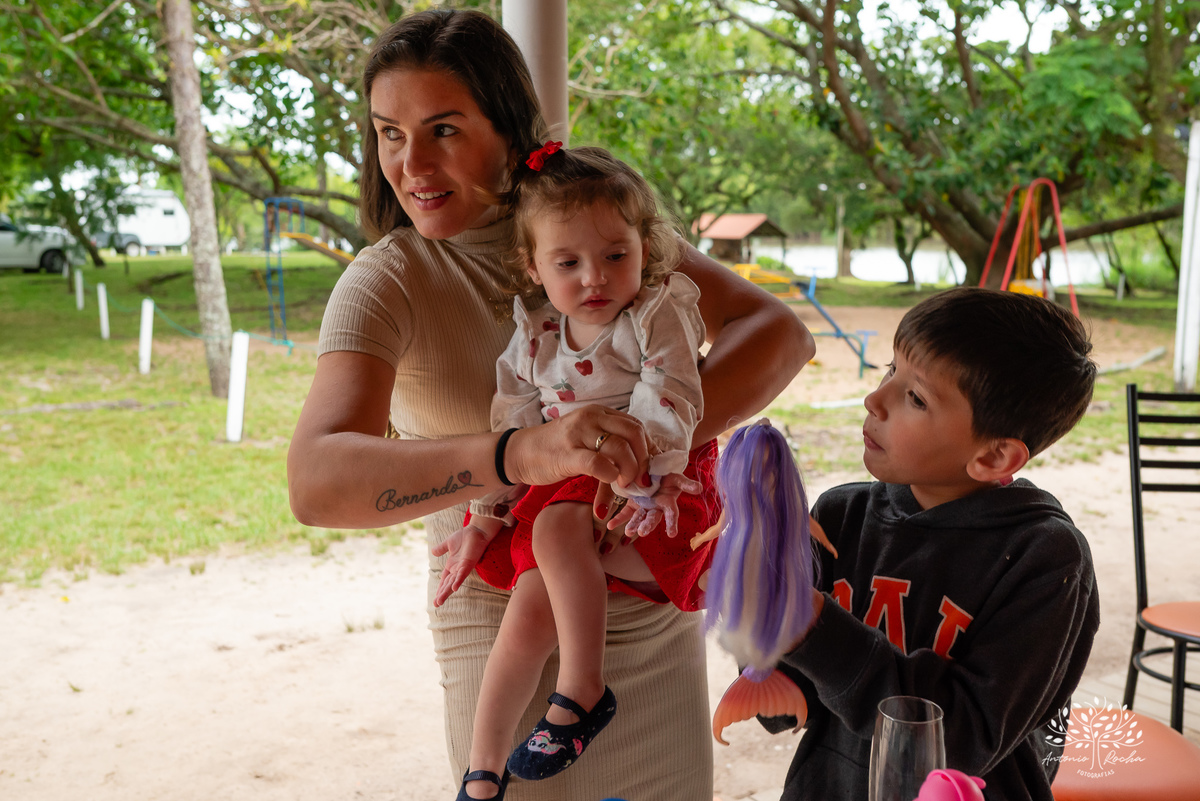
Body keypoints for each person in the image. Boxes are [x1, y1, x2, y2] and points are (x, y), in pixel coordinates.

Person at [285, 9, 815, 801]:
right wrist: (525, 455)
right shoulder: (386, 280)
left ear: (506, 124)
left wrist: (631, 445)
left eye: (443, 130)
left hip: (644, 581)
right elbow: (316, 482)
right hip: (503, 614)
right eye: (389, 133)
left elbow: (777, 333)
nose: (412, 162)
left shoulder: (589, 229)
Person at [432, 144, 722, 800]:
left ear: (645, 249)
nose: (595, 276)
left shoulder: (654, 311)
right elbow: (513, 428)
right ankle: (483, 770)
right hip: (567, 482)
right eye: (569, 262)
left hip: (653, 477)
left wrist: (643, 475)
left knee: (557, 534)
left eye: (616, 255)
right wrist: (483, 517)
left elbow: (671, 390)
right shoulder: (534, 336)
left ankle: (584, 688)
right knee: (529, 610)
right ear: (532, 266)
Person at [762, 287, 1100, 801]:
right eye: (888, 371)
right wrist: (758, 607)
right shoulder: (838, 518)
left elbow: (960, 744)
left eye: (915, 397)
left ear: (993, 457)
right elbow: (785, 707)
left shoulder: (1046, 560)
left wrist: (813, 625)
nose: (875, 399)